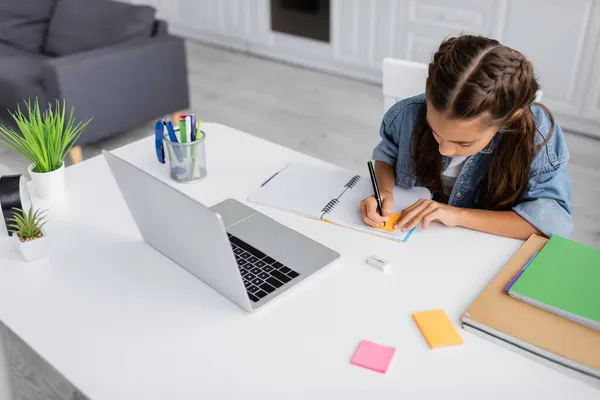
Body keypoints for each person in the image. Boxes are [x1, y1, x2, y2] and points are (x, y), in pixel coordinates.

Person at [360, 35, 572, 240]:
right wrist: (384, 190)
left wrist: (456, 215)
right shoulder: (407, 114)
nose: (443, 149)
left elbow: (554, 224)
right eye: (435, 132)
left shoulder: (536, 136)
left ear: (508, 119)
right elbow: (387, 155)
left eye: (463, 143)